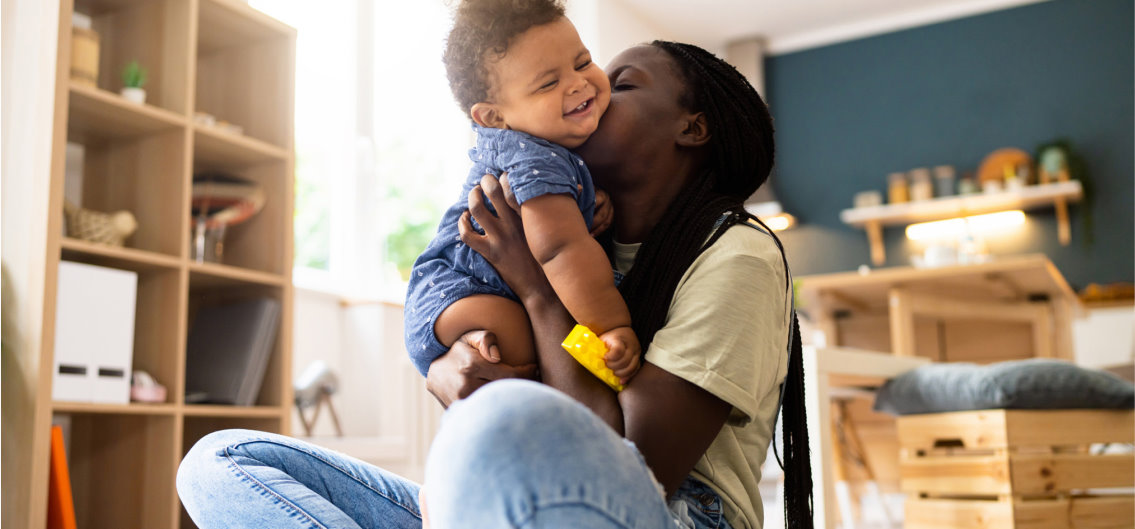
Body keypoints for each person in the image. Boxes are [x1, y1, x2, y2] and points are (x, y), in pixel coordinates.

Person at [177, 39, 813, 529]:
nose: (589, 90)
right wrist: (454, 370)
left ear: (692, 128)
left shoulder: (737, 255)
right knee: (222, 463)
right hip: (534, 495)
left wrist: (536, 290)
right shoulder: (581, 239)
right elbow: (502, 379)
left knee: (510, 421)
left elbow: (633, 456)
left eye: (617, 82)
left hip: (675, 510)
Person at [404, 0, 641, 386]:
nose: (579, 83)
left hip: (446, 297)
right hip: (462, 294)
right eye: (549, 83)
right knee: (539, 365)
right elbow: (562, 250)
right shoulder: (534, 156)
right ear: (494, 117)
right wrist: (612, 326)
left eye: (582, 63)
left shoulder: (541, 145)